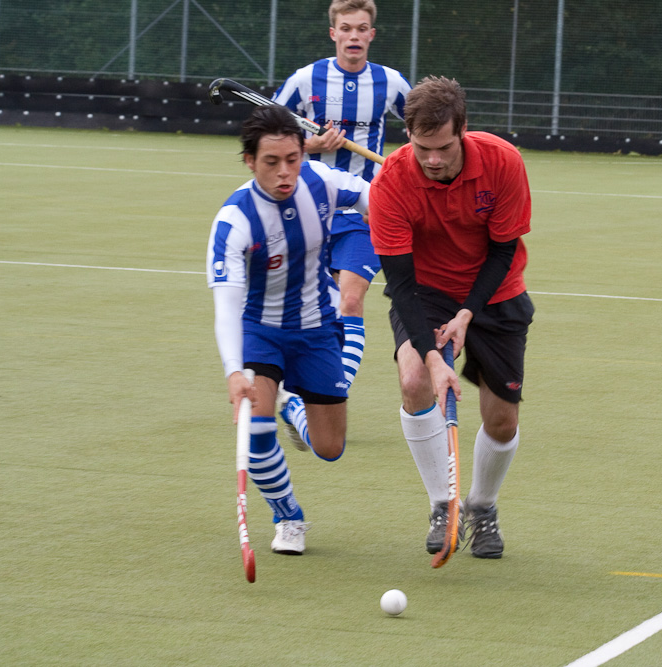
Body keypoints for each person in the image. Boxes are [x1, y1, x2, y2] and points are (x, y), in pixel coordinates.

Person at [368, 76, 535, 559]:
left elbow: (503, 250)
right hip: (427, 289)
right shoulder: (390, 183)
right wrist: (432, 357)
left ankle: (481, 506)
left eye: (443, 147)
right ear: (408, 136)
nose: (433, 160)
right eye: (422, 148)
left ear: (463, 130)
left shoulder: (503, 161)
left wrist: (467, 314)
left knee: (502, 421)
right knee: (415, 379)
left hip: (496, 290)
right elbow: (401, 285)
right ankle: (444, 505)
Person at [206, 104, 370, 555]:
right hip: (259, 330)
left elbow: (373, 197)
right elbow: (226, 306)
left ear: (303, 153)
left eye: (293, 159)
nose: (284, 172)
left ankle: (292, 405)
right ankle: (288, 517)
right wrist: (233, 370)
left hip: (317, 327)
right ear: (249, 161)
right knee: (257, 432)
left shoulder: (321, 181)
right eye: (271, 162)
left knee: (330, 447)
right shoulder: (235, 221)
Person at [270, 0, 410, 450]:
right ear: (333, 33)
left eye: (361, 28)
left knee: (350, 301)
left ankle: (323, 401)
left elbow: (424, 126)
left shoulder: (390, 83)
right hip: (309, 210)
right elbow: (267, 131)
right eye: (346, 28)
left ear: (372, 34)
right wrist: (308, 145)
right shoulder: (306, 79)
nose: (353, 36)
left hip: (364, 211)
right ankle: (300, 401)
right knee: (313, 310)